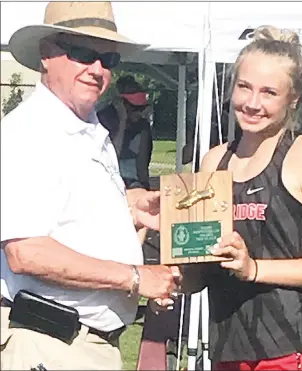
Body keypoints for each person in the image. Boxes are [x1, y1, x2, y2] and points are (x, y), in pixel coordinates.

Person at [0, 2, 180, 370]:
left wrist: (130, 209)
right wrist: (134, 278)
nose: (96, 69)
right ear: (47, 55)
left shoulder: (88, 129)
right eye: (83, 54)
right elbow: (27, 252)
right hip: (48, 343)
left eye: (108, 59)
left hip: (79, 345)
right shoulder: (29, 132)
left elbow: (70, 219)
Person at [181, 26, 302, 370]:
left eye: (269, 92)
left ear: (293, 97)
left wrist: (254, 269)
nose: (253, 103)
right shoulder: (214, 161)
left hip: (293, 350)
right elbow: (198, 271)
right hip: (227, 350)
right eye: (244, 87)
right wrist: (172, 273)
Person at [117, 75, 153, 191]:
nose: (139, 114)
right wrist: (122, 122)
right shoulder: (106, 119)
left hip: (135, 184)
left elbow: (143, 159)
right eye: (134, 109)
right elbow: (114, 152)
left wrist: (144, 186)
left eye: (142, 109)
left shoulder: (143, 126)